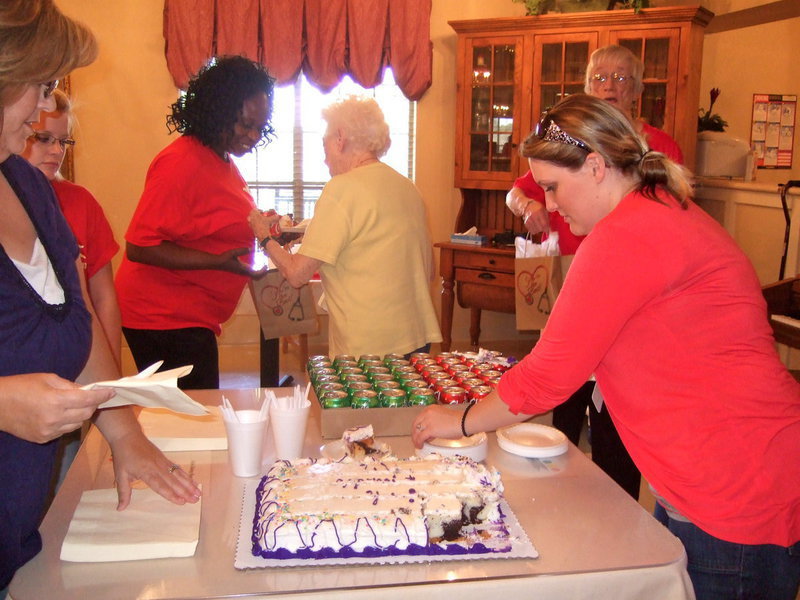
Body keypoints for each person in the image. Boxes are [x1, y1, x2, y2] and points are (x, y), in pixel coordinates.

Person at [412, 93, 800, 600]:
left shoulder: (626, 235)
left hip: (732, 487)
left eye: (553, 186)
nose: (548, 204)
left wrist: (458, 419)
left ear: (595, 166)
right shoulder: (657, 209)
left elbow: (550, 375)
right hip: (722, 472)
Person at [0, 0, 200, 590]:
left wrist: (124, 431)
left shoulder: (29, 188)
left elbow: (75, 317)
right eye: (38, 86)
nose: (43, 108)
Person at [505, 45, 686, 500]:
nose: (609, 87)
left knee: (617, 402)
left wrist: (468, 418)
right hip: (570, 277)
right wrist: (530, 205)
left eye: (621, 79)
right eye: (600, 78)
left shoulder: (658, 155)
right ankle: (565, 489)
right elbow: (516, 192)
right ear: (586, 88)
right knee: (566, 391)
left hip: (631, 297)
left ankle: (615, 501)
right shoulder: (564, 145)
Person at [115, 56, 275, 389]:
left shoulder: (222, 159)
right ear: (219, 110)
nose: (252, 135)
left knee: (193, 412)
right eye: (245, 123)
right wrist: (216, 262)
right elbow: (140, 247)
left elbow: (211, 222)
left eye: (260, 126)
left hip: (189, 316)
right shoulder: (181, 162)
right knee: (192, 416)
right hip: (163, 316)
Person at [249, 96, 442, 358]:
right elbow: (428, 270)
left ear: (340, 138)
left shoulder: (342, 188)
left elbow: (296, 274)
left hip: (370, 347)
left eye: (324, 144)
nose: (325, 157)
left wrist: (263, 237)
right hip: (417, 339)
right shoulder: (408, 188)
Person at [22, 89, 121, 367]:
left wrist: (114, 374)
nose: (56, 151)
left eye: (63, 142)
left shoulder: (81, 202)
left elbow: (103, 299)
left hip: (79, 354)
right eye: (43, 139)